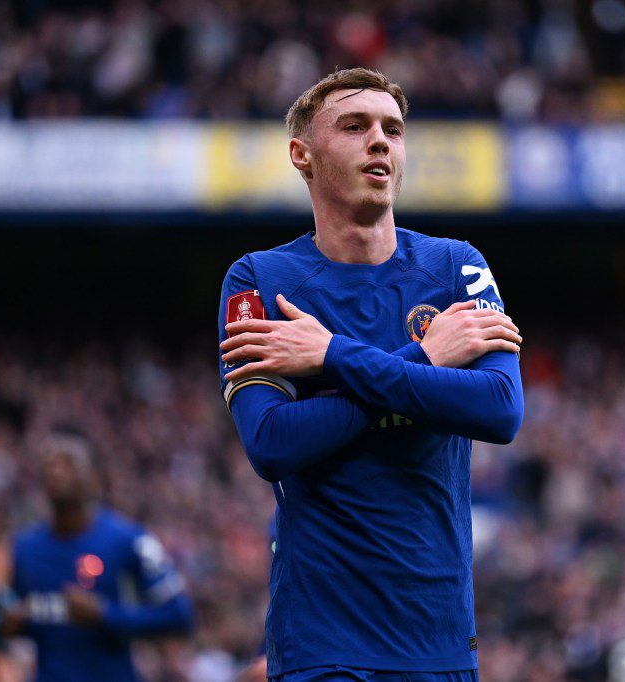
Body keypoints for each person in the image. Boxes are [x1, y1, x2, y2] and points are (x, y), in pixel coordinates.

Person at [217, 68, 524, 681]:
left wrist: (332, 357)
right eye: (354, 127)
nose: (379, 141)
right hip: (321, 642)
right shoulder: (257, 283)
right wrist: (425, 363)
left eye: (393, 129)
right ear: (302, 155)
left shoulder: (456, 267)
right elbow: (273, 443)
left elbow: (498, 409)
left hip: (438, 638)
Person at [0, 426, 194, 681]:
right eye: (49, 464)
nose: (55, 470)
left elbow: (179, 616)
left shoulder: (130, 540)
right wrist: (13, 625)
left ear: (92, 477)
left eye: (67, 463)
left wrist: (106, 615)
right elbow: (12, 620)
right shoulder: (23, 549)